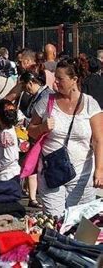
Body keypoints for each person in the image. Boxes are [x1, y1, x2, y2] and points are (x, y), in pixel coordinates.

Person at [28, 59, 103, 217]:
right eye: (55, 77)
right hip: (52, 172)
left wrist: (99, 170)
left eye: (60, 79)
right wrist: (42, 128)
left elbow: (98, 140)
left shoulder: (91, 104)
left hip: (82, 175)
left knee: (79, 223)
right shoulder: (46, 102)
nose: (55, 82)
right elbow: (31, 131)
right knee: (55, 221)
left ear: (74, 80)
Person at [19, 70, 53, 208]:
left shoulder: (46, 95)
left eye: (25, 85)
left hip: (42, 135)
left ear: (31, 82)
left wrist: (27, 121)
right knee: (32, 165)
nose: (25, 90)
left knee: (39, 166)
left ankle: (37, 196)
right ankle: (32, 197)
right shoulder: (36, 96)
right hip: (34, 134)